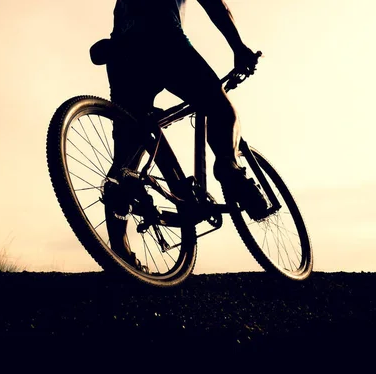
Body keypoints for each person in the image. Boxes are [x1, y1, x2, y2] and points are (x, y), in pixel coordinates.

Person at [102, 0, 268, 265]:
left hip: (121, 54)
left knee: (125, 162)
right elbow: (218, 7)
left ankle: (119, 254)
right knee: (222, 110)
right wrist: (239, 48)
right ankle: (229, 167)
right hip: (164, 37)